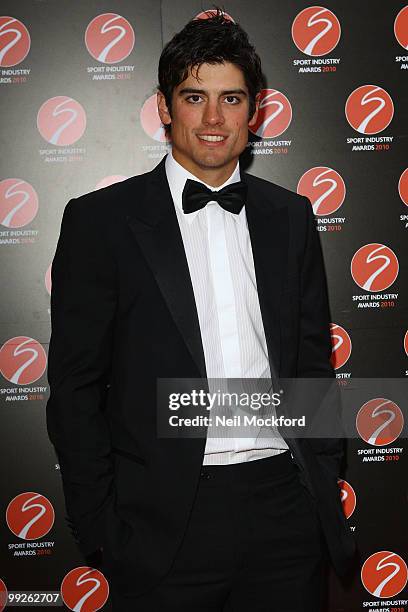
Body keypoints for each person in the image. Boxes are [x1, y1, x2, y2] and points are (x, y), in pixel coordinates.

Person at [46, 10, 356, 611]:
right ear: (165, 107)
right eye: (194, 97)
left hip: (284, 511)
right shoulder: (100, 221)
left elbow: (313, 365)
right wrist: (104, 529)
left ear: (255, 109)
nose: (214, 119)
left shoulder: (290, 217)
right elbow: (75, 388)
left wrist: (317, 480)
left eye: (231, 98)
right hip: (163, 522)